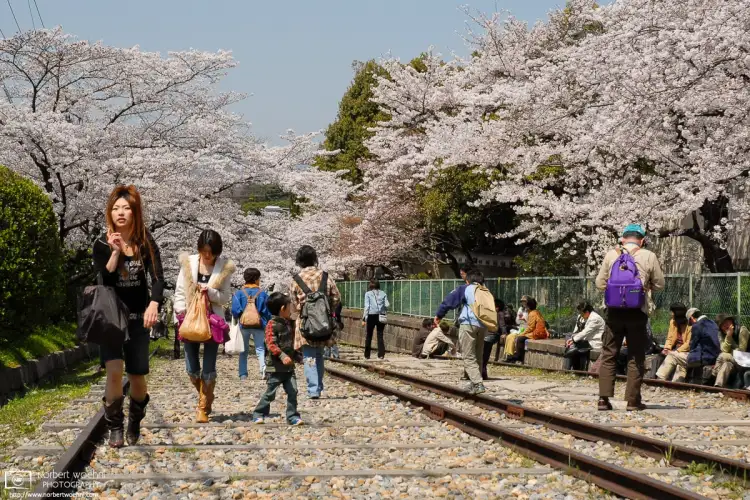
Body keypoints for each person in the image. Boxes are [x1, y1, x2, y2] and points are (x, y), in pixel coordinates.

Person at [93, 185, 165, 448]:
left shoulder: (145, 241)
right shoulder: (101, 243)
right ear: (109, 213)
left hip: (138, 317)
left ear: (135, 212)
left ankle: (135, 418)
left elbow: (158, 277)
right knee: (114, 372)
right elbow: (105, 277)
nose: (120, 213)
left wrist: (154, 303)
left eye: (126, 208)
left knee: (136, 375)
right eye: (115, 208)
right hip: (111, 317)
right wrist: (114, 251)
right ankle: (115, 427)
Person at [596, 224, 665, 412]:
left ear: (623, 239)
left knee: (609, 354)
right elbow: (660, 284)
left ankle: (603, 399)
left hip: (614, 312)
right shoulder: (648, 256)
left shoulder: (612, 255)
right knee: (636, 356)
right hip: (637, 312)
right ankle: (633, 401)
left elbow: (600, 283)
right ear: (642, 240)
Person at [174, 230, 235, 423]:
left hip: (212, 322)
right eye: (204, 251)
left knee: (208, 368)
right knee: (191, 368)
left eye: (211, 252)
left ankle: (202, 407)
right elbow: (180, 292)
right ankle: (207, 395)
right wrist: (180, 315)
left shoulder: (224, 268)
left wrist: (210, 293)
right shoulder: (189, 263)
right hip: (190, 319)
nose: (207, 256)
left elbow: (225, 297)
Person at [290, 245, 341, 399]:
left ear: (299, 261)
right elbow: (337, 297)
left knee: (309, 356)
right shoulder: (325, 276)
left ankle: (313, 390)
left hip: (306, 323)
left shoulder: (296, 279)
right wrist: (325, 309)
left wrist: (302, 309)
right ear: (314, 258)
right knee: (319, 354)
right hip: (324, 322)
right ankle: (318, 386)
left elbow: (293, 302)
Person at [434, 270, 490, 395]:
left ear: (468, 280)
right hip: (483, 325)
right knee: (478, 354)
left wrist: (439, 315)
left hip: (468, 324)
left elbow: (449, 301)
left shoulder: (466, 288)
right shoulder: (486, 291)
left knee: (468, 355)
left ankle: (477, 383)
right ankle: (473, 382)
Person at [251, 292, 303, 425]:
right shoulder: (271, 324)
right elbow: (270, 344)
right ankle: (258, 413)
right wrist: (282, 355)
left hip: (289, 368)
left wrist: (297, 356)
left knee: (293, 391)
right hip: (275, 368)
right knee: (270, 393)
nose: (291, 308)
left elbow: (290, 345)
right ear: (282, 309)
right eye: (289, 306)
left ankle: (292, 416)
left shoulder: (288, 324)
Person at [231, 268, 272, 380]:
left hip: (244, 325)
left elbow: (235, 310)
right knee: (260, 348)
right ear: (256, 279)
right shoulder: (262, 293)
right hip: (259, 325)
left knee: (243, 350)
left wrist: (240, 316)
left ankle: (243, 374)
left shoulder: (239, 293)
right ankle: (263, 369)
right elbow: (267, 311)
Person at [654, 304, 692, 381]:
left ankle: (663, 380)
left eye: (672, 312)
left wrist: (676, 351)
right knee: (658, 357)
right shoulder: (672, 322)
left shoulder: (689, 324)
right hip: (674, 347)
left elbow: (689, 343)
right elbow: (669, 338)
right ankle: (654, 379)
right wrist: (666, 348)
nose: (671, 314)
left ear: (678, 313)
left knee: (674, 359)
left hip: (685, 350)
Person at [564, 302, 605, 371]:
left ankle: (567, 370)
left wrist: (573, 339)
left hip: (594, 342)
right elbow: (577, 331)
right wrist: (572, 338)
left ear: (587, 312)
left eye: (582, 313)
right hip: (586, 340)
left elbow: (585, 332)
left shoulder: (595, 318)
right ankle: (571, 370)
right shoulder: (584, 317)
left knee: (571, 349)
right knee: (569, 339)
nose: (581, 315)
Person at [506, 298, 549, 363]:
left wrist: (523, 334)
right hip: (538, 332)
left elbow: (531, 328)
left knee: (520, 338)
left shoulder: (532, 313)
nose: (524, 306)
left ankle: (519, 356)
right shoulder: (536, 312)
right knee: (520, 337)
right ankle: (515, 355)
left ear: (528, 306)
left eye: (526, 305)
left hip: (538, 333)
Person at [712, 314, 749, 387]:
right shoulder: (721, 333)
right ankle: (718, 386)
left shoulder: (742, 330)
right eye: (722, 325)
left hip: (746, 359)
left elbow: (742, 351)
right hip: (733, 360)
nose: (725, 325)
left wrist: (730, 337)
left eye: (727, 322)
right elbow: (724, 349)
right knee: (726, 365)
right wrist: (728, 336)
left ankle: (713, 374)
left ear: (731, 321)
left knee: (723, 356)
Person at [361, 278, 390, 359]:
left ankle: (367, 355)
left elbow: (367, 307)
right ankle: (381, 355)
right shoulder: (383, 293)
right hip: (381, 316)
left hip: (371, 316)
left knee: (369, 335)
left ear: (371, 285)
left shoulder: (368, 294)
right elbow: (387, 304)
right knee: (380, 335)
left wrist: (364, 319)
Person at [481, 300, 506, 379]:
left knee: (484, 354)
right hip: (488, 335)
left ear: (497, 308)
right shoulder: (491, 313)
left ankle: (483, 372)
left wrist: (504, 333)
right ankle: (483, 372)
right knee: (485, 354)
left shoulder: (499, 314)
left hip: (491, 335)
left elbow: (502, 324)